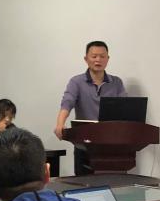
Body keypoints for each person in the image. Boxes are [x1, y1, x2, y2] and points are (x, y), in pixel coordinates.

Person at [54, 41, 127, 174]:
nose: (98, 60)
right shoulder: (76, 82)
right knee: (84, 184)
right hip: (85, 144)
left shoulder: (116, 82)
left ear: (108, 59)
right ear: (86, 59)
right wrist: (60, 124)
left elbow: (125, 108)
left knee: (115, 183)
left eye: (102, 56)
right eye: (94, 56)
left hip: (112, 144)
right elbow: (67, 102)